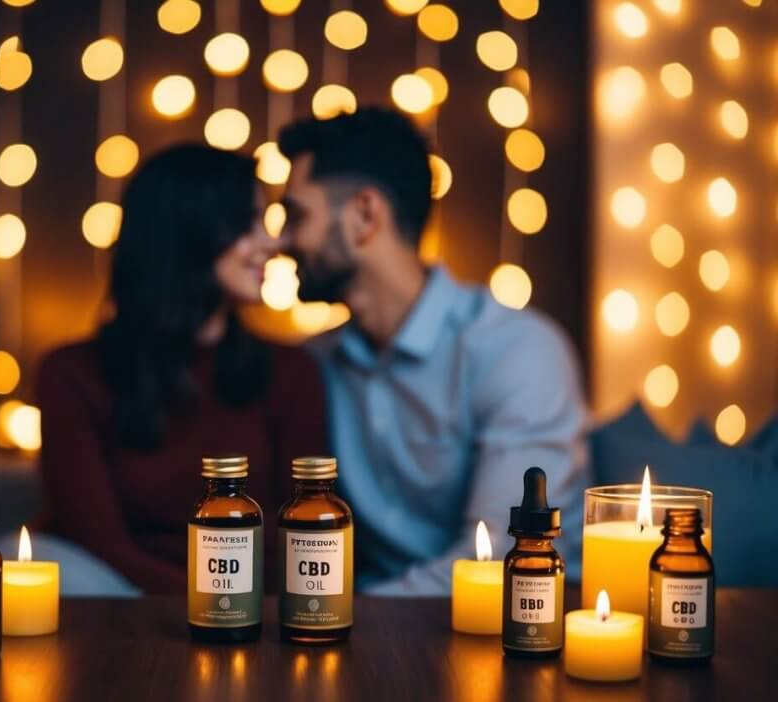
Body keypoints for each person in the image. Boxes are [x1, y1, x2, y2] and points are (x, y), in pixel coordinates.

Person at [277, 107, 590, 595]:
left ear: (364, 215)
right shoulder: (312, 363)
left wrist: (345, 617)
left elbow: (502, 557)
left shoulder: (519, 352)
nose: (281, 241)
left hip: (513, 628)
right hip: (368, 632)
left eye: (297, 215)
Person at [36, 144, 326, 594]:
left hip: (252, 609)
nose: (271, 245)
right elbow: (98, 541)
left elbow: (305, 529)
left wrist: (241, 612)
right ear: (189, 233)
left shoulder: (290, 372)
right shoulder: (71, 374)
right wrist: (203, 605)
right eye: (247, 224)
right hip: (124, 600)